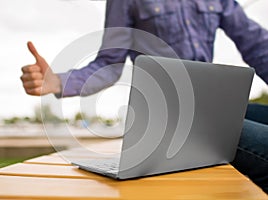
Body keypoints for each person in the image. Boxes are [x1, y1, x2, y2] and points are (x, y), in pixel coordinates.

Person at [20, 0, 268, 193]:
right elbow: (110, 64)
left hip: (211, 106)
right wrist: (59, 82)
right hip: (168, 116)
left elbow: (256, 45)